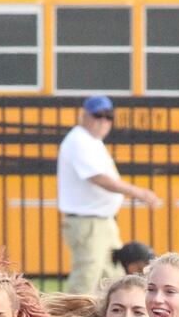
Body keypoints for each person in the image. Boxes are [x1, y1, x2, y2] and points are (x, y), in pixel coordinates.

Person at [57, 96, 161, 295]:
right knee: (85, 280)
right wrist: (138, 192)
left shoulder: (92, 142)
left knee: (112, 280)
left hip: (102, 222)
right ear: (84, 116)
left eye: (108, 116)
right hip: (88, 223)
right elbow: (98, 178)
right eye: (98, 115)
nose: (103, 121)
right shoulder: (79, 140)